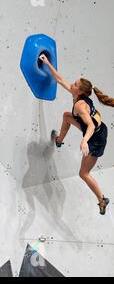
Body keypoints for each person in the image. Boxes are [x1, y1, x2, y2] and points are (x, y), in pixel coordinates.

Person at [40, 54, 113, 215]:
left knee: (83, 173)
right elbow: (60, 79)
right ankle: (59, 140)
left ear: (79, 91)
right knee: (67, 116)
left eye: (74, 84)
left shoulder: (80, 105)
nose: (71, 84)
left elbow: (91, 127)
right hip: (97, 128)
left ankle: (102, 200)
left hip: (95, 138)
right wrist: (47, 63)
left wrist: (85, 141)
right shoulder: (77, 94)